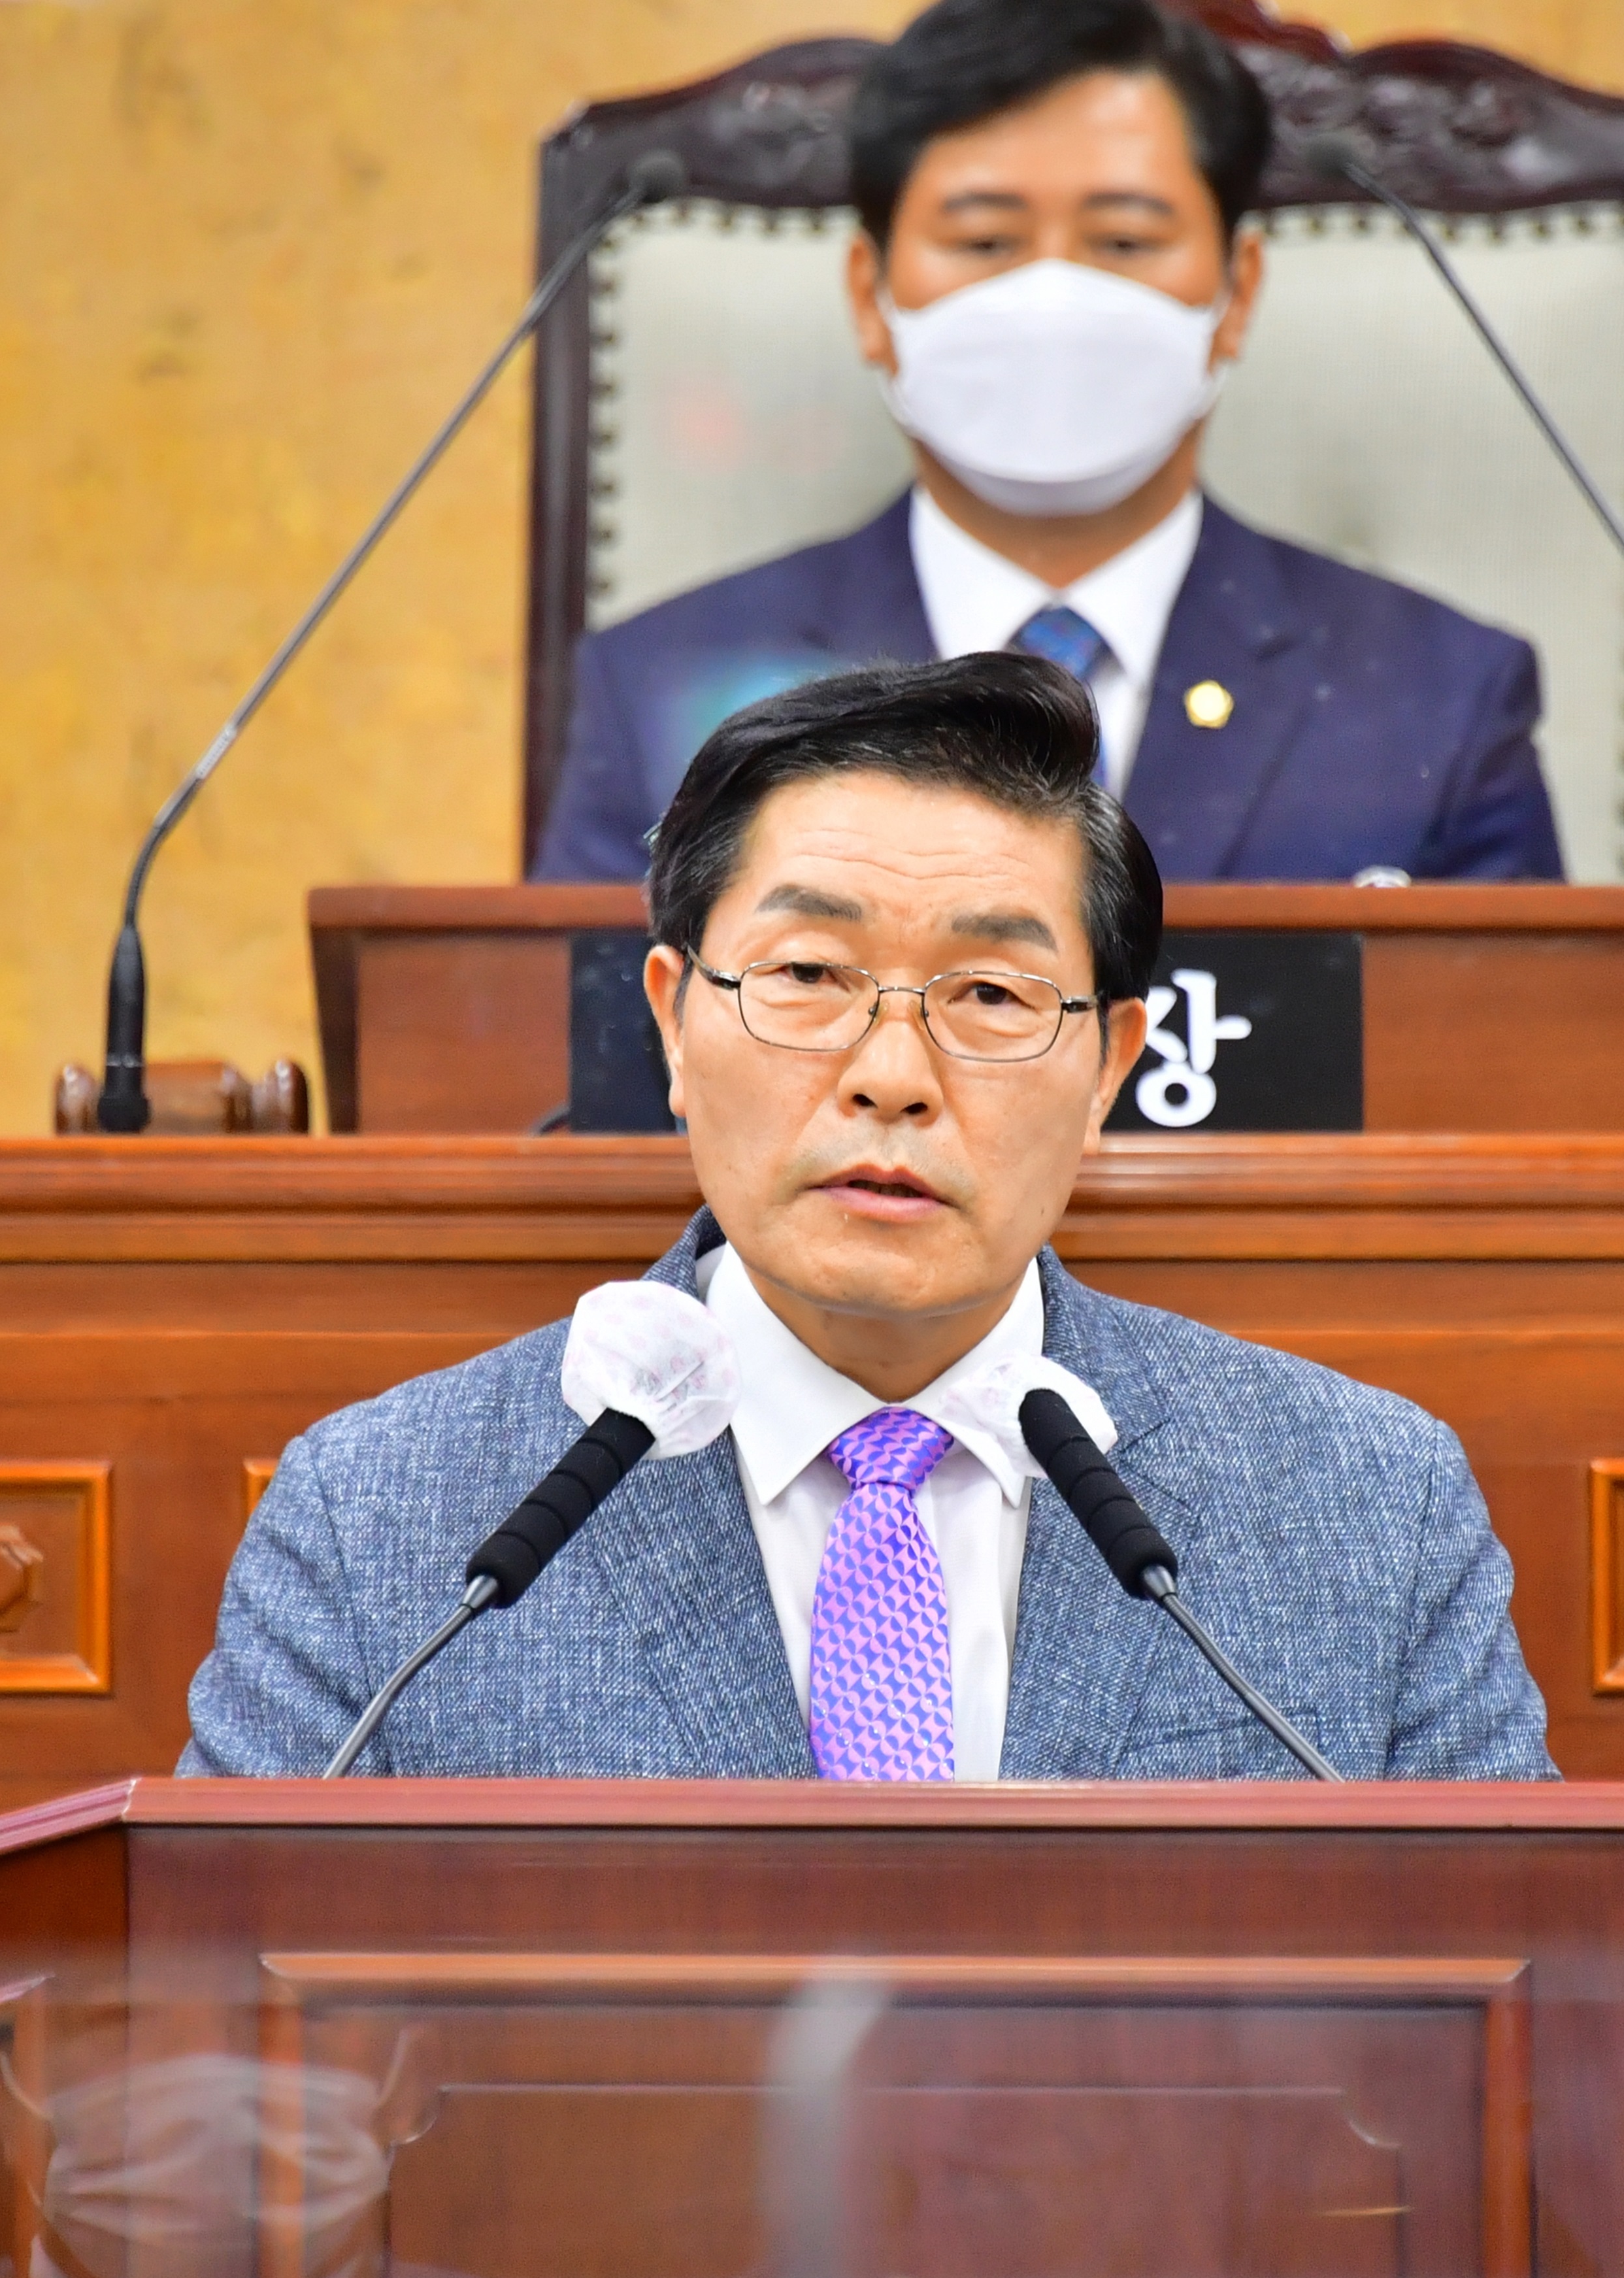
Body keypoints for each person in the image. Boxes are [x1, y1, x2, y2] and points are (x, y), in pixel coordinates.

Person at [186, 654, 1552, 1781]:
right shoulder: (382, 1526)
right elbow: (225, 2051)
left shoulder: (1372, 1508)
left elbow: (1522, 2032)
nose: (892, 1075)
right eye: (808, 974)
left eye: (993, 997)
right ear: (671, 1017)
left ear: (1109, 1072)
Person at [531, 0, 1566, 890]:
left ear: (1237, 292)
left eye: (1124, 241)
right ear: (872, 296)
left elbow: (1525, 1097)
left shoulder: (1441, 697)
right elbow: (576, 1093)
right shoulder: (669, 688)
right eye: (985, 241)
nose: (1053, 299)